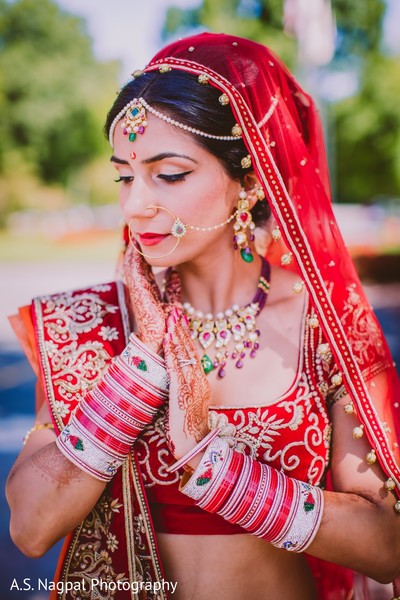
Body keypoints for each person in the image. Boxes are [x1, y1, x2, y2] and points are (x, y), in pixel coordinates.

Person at [6, 32, 400, 600]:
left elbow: (386, 545)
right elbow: (30, 528)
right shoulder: (90, 324)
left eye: (169, 175)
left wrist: (210, 463)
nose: (135, 204)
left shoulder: (325, 325)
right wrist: (140, 366)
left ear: (250, 178)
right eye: (124, 175)